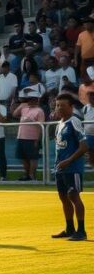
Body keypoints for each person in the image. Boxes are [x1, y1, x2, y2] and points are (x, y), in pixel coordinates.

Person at [51, 93, 88, 241]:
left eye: (62, 105)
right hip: (60, 168)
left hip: (73, 168)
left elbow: (84, 146)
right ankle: (69, 228)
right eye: (57, 105)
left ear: (71, 107)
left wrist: (69, 160)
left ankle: (82, 230)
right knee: (63, 197)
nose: (59, 108)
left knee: (73, 195)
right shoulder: (59, 123)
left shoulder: (74, 122)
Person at [13, 92, 45, 182]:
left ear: (36, 100)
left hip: (32, 138)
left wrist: (37, 139)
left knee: (33, 158)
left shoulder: (39, 111)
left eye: (31, 99)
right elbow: (14, 114)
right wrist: (21, 105)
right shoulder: (24, 109)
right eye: (28, 99)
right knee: (23, 157)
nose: (29, 101)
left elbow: (41, 126)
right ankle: (26, 174)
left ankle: (32, 176)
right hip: (21, 136)